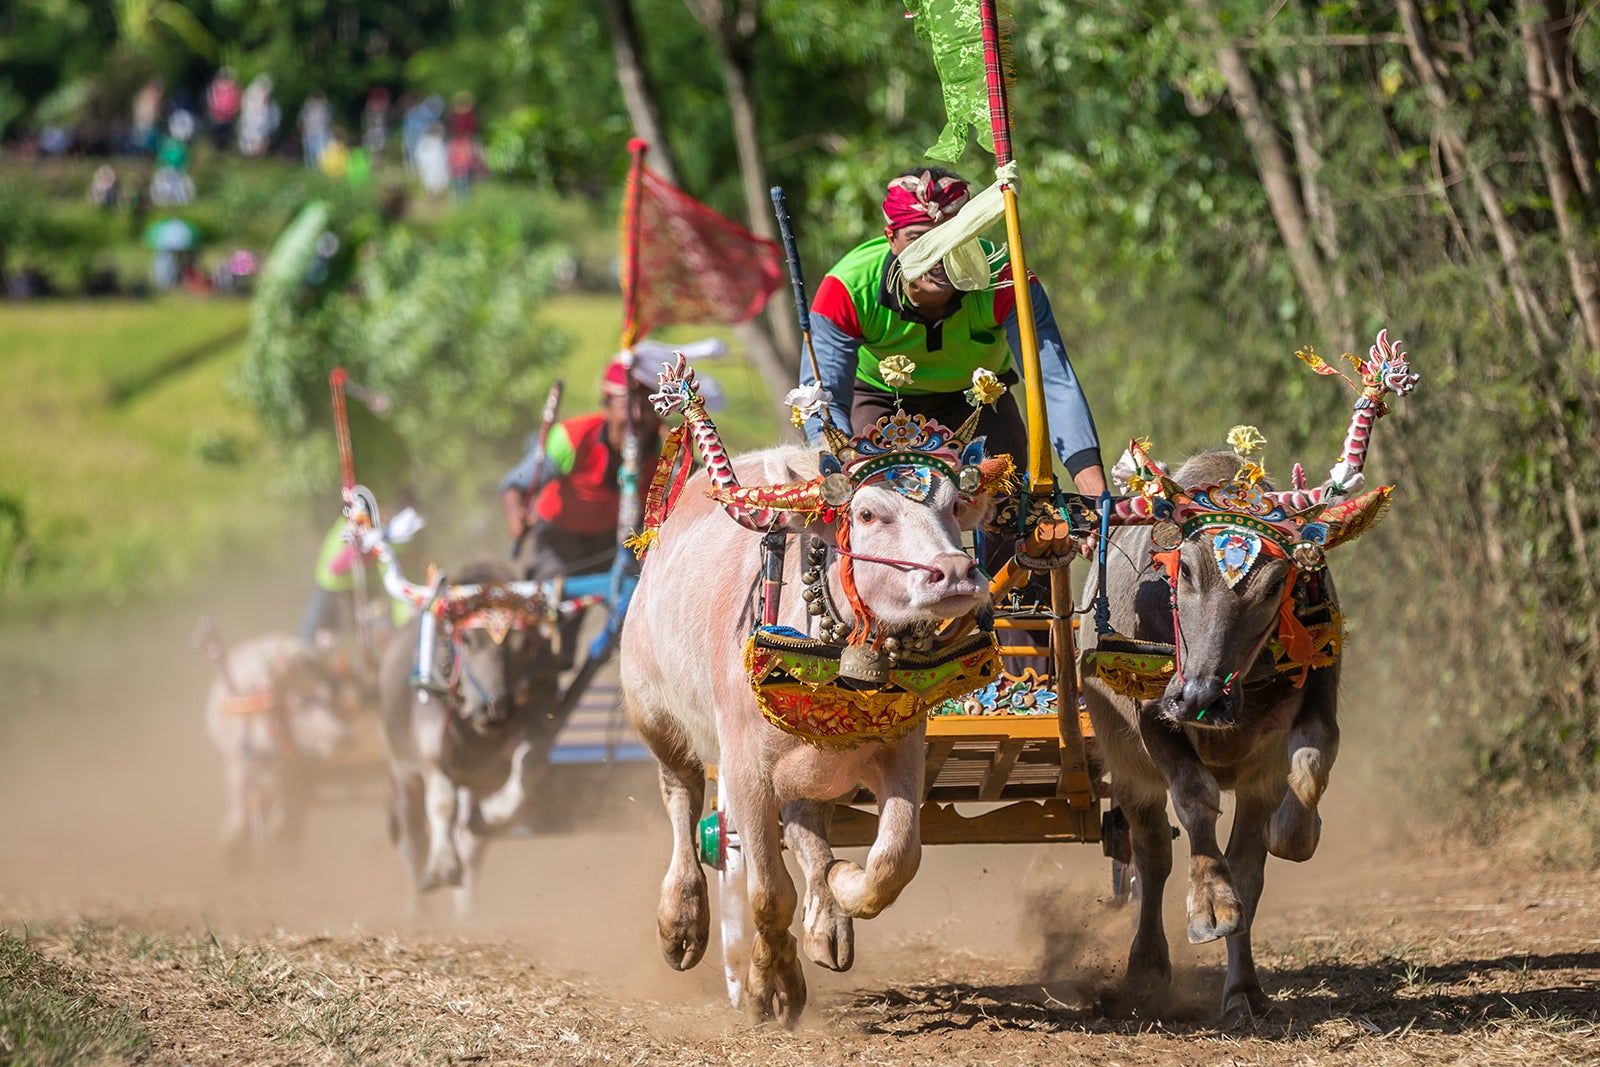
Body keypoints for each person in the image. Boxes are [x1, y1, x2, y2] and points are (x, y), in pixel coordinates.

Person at [800, 167, 1106, 506]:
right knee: (872, 510)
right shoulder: (846, 288)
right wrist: (836, 474)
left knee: (1014, 512)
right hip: (882, 400)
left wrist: (1096, 496)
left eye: (952, 237)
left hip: (979, 401)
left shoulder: (1007, 277)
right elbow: (823, 400)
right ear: (891, 238)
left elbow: (1052, 382)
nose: (938, 256)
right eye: (918, 240)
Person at [499, 359, 664, 584]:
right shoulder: (572, 438)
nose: (637, 417)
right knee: (556, 604)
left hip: (615, 540)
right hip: (559, 538)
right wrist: (514, 516)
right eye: (627, 406)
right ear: (606, 406)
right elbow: (516, 485)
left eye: (647, 407)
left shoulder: (666, 447)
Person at [207, 68, 242, 150]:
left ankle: (226, 149)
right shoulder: (215, 87)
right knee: (218, 135)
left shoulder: (233, 88)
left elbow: (237, 100)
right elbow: (212, 101)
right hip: (218, 116)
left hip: (230, 116)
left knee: (228, 136)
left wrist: (234, 110)